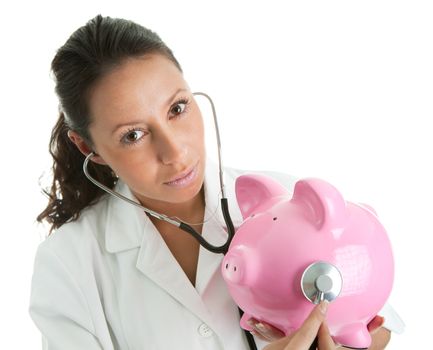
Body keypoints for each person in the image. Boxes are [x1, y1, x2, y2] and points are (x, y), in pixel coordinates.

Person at [29, 14, 402, 349]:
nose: (175, 152)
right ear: (88, 147)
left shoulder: (284, 200)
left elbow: (377, 323)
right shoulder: (68, 265)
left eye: (177, 109)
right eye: (133, 135)